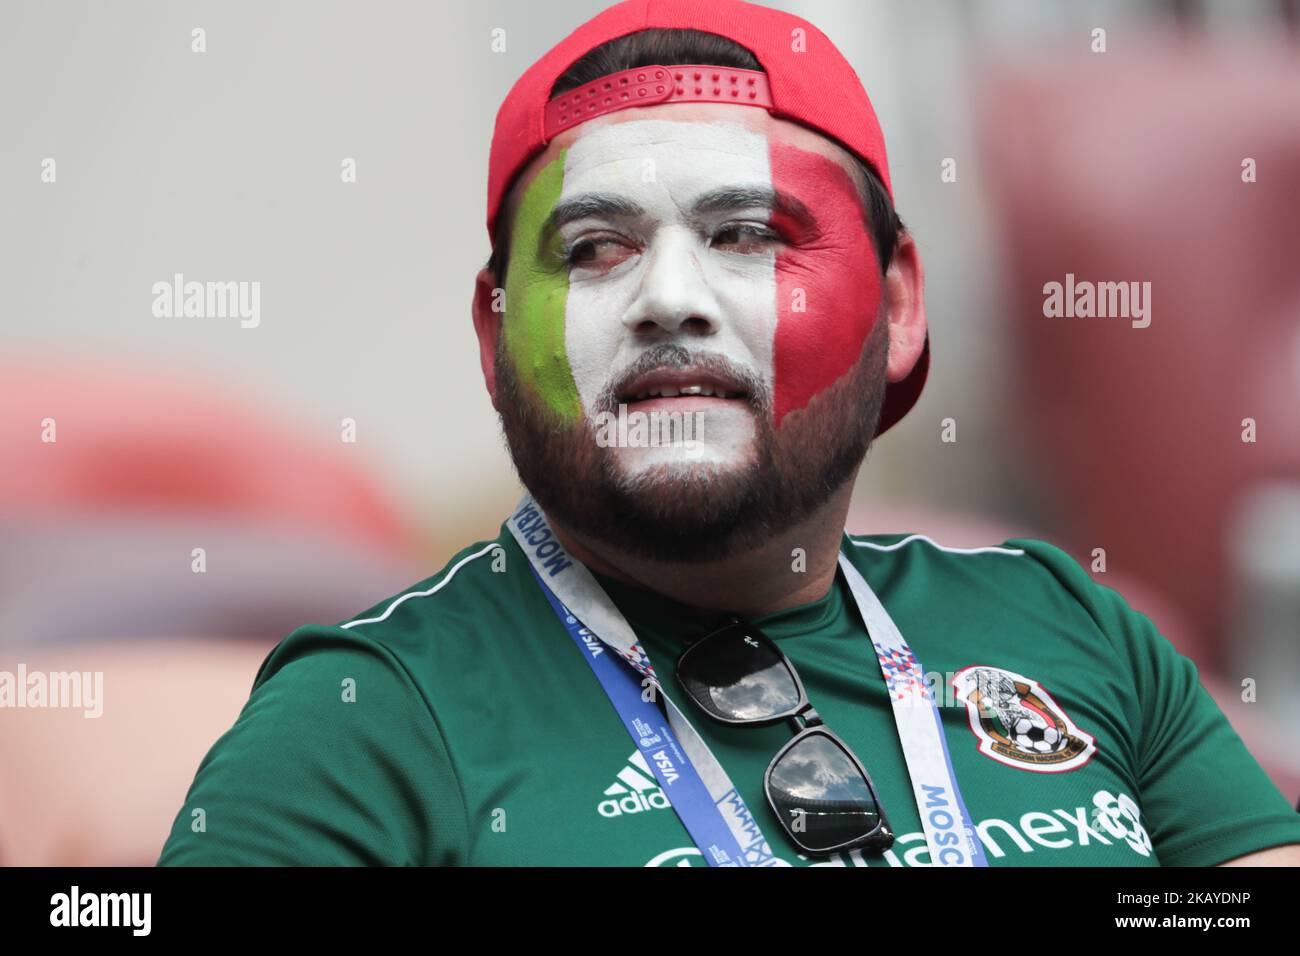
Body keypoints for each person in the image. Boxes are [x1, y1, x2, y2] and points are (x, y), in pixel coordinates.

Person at [159, 0, 1300, 867]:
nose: (669, 299)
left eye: (748, 232)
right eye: (594, 248)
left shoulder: (1067, 625)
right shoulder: (362, 724)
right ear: (495, 331)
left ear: (900, 305)